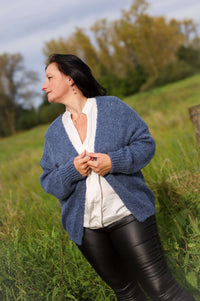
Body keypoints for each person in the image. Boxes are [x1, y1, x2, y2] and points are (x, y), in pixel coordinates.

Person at [40, 53, 195, 301]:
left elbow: (145, 145)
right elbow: (48, 180)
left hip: (128, 215)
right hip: (87, 229)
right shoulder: (54, 133)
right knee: (127, 295)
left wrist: (114, 162)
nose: (43, 85)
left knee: (163, 291)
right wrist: (72, 171)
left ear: (70, 79)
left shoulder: (112, 108)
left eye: (49, 77)